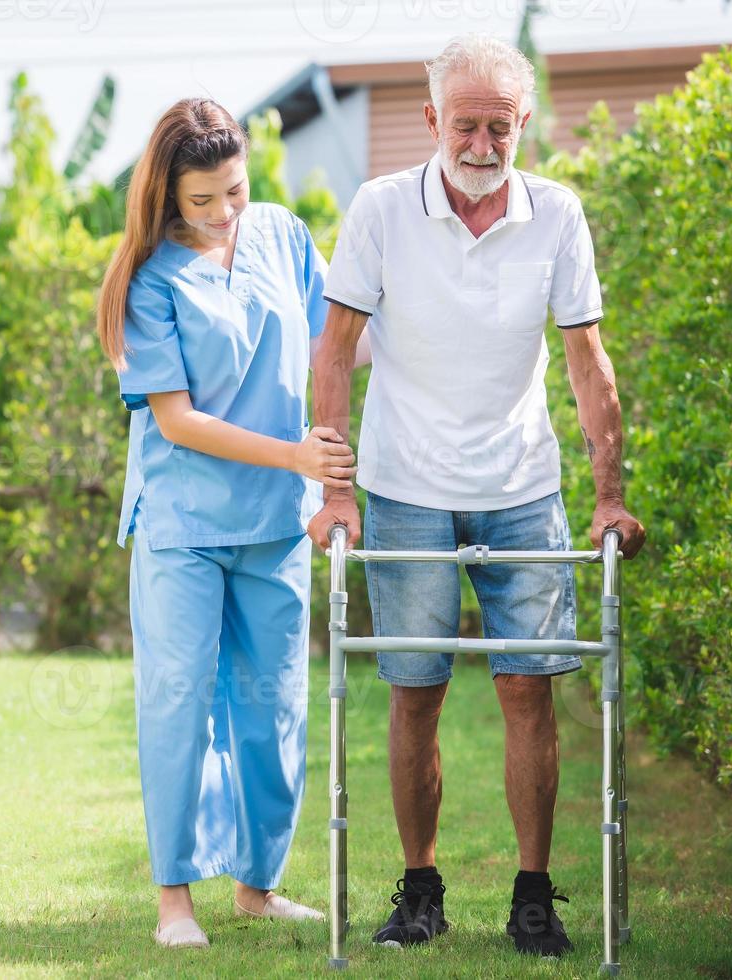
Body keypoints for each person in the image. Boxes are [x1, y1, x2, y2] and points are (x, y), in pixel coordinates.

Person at [307, 34, 648, 959]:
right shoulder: (380, 210)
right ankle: (420, 890)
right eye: (466, 124)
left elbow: (586, 359)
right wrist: (334, 497)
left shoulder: (556, 215)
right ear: (431, 122)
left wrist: (607, 495)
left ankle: (533, 896)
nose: (483, 142)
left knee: (526, 691)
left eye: (501, 126)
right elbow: (334, 351)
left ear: (523, 125)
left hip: (520, 484)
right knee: (412, 694)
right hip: (405, 485)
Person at [97, 97, 368, 950]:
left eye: (234, 193)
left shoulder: (283, 236)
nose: (221, 214)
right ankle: (173, 899)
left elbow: (343, 339)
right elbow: (174, 420)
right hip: (183, 520)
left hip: (273, 525)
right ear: (167, 196)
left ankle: (258, 886)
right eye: (200, 201)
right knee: (179, 704)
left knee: (273, 705)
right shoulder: (148, 281)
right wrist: (296, 456)